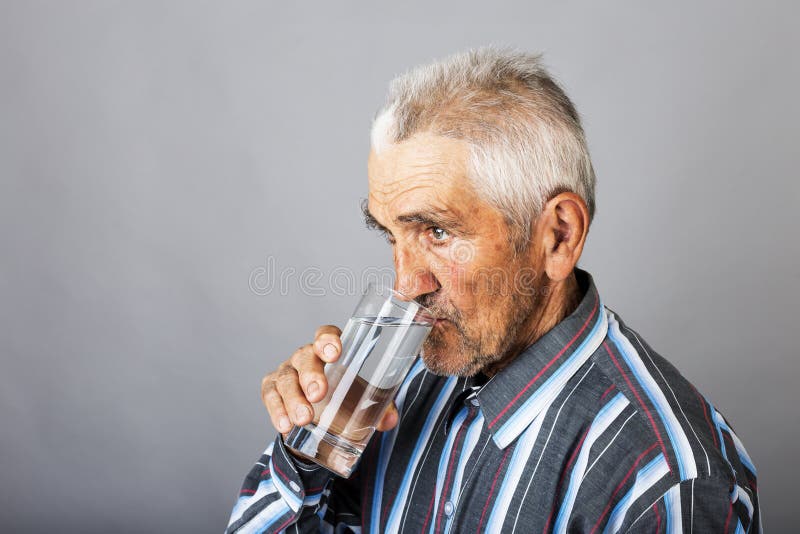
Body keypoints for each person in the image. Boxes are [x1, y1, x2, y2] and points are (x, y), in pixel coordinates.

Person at [226, 47, 761, 533]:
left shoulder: (666, 480)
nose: (406, 285)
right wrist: (306, 454)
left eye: (437, 231)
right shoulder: (389, 383)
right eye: (392, 234)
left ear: (558, 236)